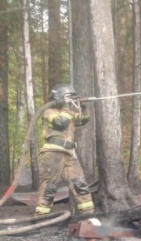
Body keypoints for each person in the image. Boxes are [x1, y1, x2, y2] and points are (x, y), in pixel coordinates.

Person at [34, 84, 95, 216]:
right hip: (52, 154)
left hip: (69, 154)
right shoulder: (49, 111)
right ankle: (40, 217)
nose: (70, 100)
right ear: (59, 97)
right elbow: (61, 123)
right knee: (50, 186)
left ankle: (88, 214)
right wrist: (67, 107)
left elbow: (82, 120)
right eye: (68, 97)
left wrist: (83, 107)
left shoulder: (68, 113)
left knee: (79, 183)